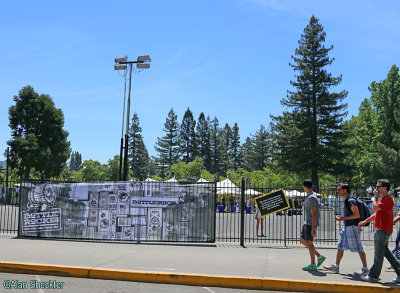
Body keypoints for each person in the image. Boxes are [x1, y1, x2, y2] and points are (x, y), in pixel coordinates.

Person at [358, 179, 400, 283]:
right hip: (383, 229)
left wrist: (374, 197)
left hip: (382, 230)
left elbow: (375, 208)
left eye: (378, 186)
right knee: (386, 253)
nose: (376, 188)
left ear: (384, 188)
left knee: (378, 254)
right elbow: (377, 213)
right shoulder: (384, 199)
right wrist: (366, 221)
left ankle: (373, 276)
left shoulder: (387, 199)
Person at [323, 183, 368, 276]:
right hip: (347, 227)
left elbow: (357, 215)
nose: (337, 191)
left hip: (353, 227)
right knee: (340, 246)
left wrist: (344, 219)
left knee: (359, 248)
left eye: (339, 189)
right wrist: (344, 224)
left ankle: (365, 269)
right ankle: (336, 266)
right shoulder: (346, 200)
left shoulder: (350, 200)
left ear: (345, 190)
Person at [300, 179, 325, 271]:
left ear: (305, 187)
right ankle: (319, 256)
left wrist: (313, 228)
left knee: (310, 244)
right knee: (302, 240)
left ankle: (313, 264)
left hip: (310, 224)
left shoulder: (311, 198)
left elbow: (314, 213)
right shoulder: (309, 197)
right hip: (307, 222)